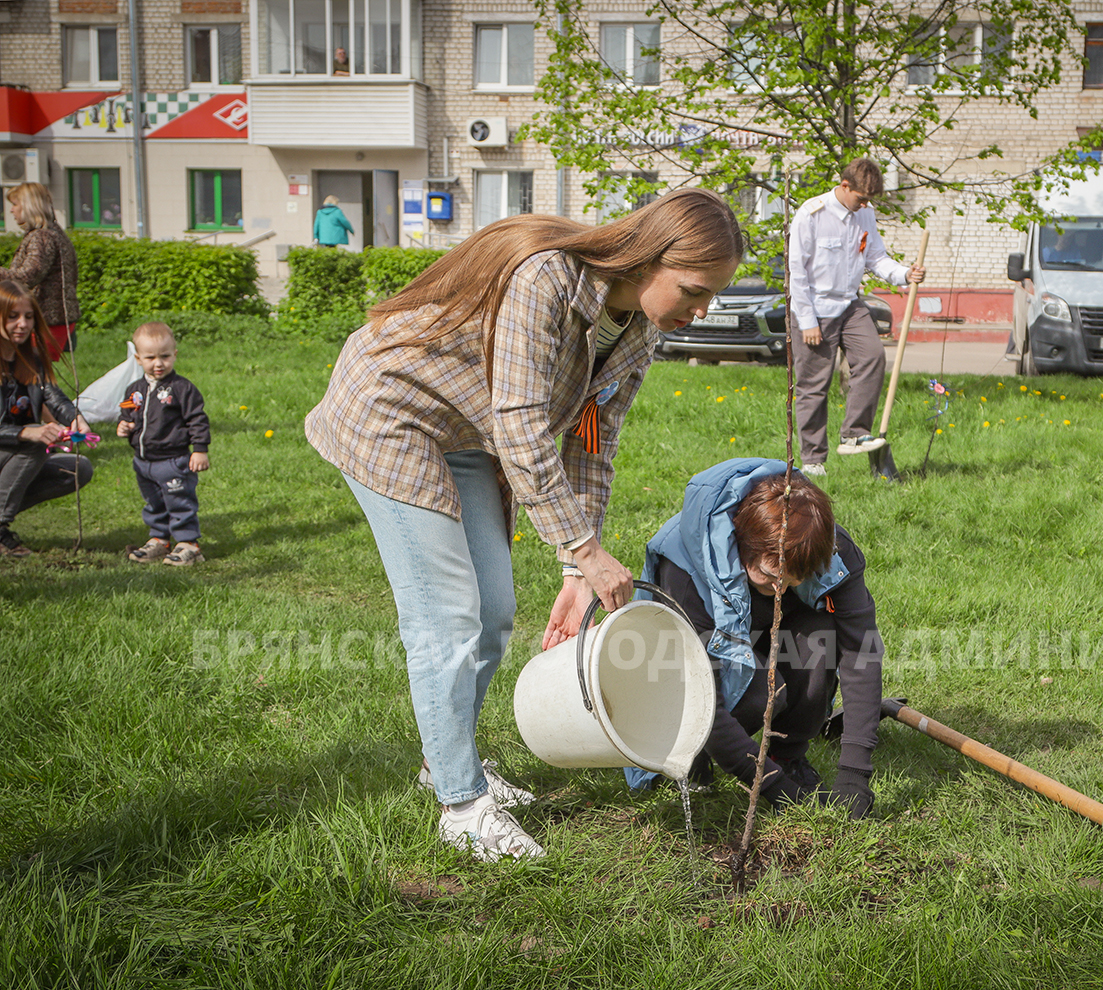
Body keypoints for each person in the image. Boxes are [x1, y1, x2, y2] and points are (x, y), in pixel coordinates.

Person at [305, 189, 743, 861]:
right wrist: (584, 547)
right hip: (395, 411)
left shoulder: (639, 332)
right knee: (447, 616)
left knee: (497, 611)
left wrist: (576, 569)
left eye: (712, 294)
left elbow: (592, 443)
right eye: (694, 289)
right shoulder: (547, 279)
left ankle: (442, 762)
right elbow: (522, 426)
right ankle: (460, 805)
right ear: (648, 259)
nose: (702, 308)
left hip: (469, 430)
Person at [638, 458, 883, 818]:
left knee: (822, 637)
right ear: (743, 542)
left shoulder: (828, 551)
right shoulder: (687, 569)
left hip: (768, 635)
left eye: (792, 580)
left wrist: (854, 774)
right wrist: (773, 787)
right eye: (770, 575)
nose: (780, 587)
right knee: (759, 693)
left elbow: (861, 653)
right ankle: (698, 754)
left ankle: (788, 755)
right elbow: (696, 694)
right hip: (682, 674)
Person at [787, 158, 925, 475]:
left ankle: (854, 433)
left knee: (873, 356)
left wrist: (905, 273)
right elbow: (797, 272)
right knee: (813, 385)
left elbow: (876, 257)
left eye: (868, 200)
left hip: (849, 304)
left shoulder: (864, 214)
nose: (864, 204)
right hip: (814, 308)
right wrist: (807, 320)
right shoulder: (811, 214)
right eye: (860, 197)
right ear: (844, 186)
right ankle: (812, 460)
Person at [0, 280, 92, 556]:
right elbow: (28, 434)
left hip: (10, 453)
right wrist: (25, 432)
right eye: (13, 316)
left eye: (29, 317)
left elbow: (54, 397)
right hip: (9, 446)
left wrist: (76, 419)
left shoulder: (32, 358)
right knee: (37, 442)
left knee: (78, 469)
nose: (23, 324)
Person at [116, 322, 212, 566]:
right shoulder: (134, 390)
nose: (158, 363)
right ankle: (159, 540)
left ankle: (189, 543)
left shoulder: (182, 389)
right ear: (138, 358)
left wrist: (199, 450)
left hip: (174, 460)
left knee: (179, 501)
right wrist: (124, 425)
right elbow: (128, 414)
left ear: (175, 355)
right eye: (150, 357)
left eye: (165, 356)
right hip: (143, 461)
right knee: (154, 502)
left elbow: (197, 420)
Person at [0, 183, 81, 361]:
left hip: (45, 319)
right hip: (48, 317)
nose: (11, 210)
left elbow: (28, 277)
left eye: (15, 204)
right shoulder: (50, 232)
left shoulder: (42, 236)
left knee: (33, 371)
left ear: (29, 206)